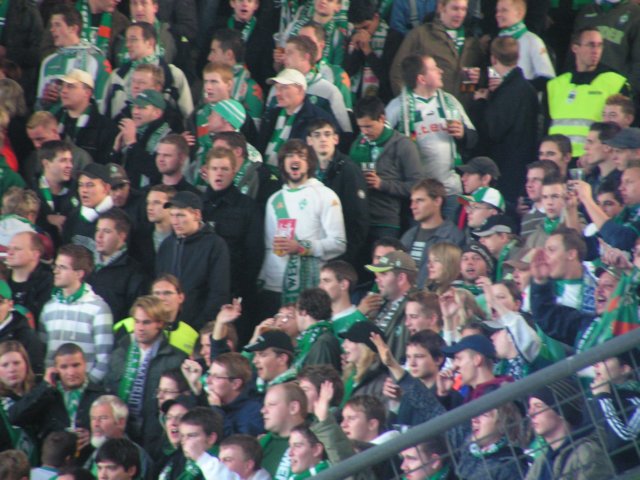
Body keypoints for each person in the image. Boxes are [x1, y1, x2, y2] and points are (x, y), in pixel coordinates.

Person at [258, 140, 345, 314]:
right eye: (289, 155)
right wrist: (262, 279)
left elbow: (339, 244)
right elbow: (269, 247)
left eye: (301, 156)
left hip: (310, 287)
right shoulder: (274, 200)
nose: (295, 160)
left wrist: (301, 247)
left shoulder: (325, 195)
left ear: (310, 162)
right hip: (274, 287)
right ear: (283, 163)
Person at [387, 54, 476, 220]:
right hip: (419, 195)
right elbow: (383, 143)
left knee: (451, 235)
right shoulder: (397, 107)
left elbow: (474, 138)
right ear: (422, 79)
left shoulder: (450, 102)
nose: (441, 71)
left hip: (451, 191)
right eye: (434, 69)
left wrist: (463, 134)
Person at [104, 295, 185, 448]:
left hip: (156, 437)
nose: (140, 328)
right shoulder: (119, 354)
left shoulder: (176, 359)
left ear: (160, 323)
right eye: (137, 321)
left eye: (146, 322)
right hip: (121, 434)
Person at [202, 146, 263, 333]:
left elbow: (254, 254)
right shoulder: (197, 206)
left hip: (234, 292)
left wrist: (241, 292)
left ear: (234, 171)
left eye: (224, 169)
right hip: (200, 292)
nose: (219, 173)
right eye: (214, 168)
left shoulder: (248, 207)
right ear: (206, 171)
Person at [470, 36, 538, 203]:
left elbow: (492, 131)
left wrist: (481, 103)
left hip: (505, 170)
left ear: (493, 59)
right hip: (523, 167)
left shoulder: (507, 92)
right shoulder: (528, 89)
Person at [9, 343, 103, 458]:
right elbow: (15, 417)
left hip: (88, 460)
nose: (71, 372)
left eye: (76, 365)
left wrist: (95, 436)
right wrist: (45, 386)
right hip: (51, 462)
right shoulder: (46, 393)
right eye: (64, 367)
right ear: (55, 369)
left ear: (85, 365)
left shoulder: (100, 395)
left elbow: (116, 431)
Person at [546, 27, 629, 158]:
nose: (595, 50)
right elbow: (545, 126)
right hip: (557, 159)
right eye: (591, 45)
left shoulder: (615, 82)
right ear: (575, 48)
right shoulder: (556, 85)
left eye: (599, 45)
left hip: (593, 158)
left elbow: (622, 126)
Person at [156, 191, 231, 329]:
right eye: (172, 215)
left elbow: (218, 292)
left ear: (197, 215)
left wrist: (202, 324)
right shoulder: (167, 245)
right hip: (166, 324)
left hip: (198, 327)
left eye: (180, 215)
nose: (175, 221)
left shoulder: (215, 245)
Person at [351, 96, 422, 239]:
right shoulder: (358, 144)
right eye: (360, 127)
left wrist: (382, 184)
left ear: (382, 119)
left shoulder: (403, 145)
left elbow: (418, 187)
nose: (364, 132)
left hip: (386, 221)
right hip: (359, 219)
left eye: (368, 126)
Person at [39, 244, 113, 383]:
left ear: (79, 274)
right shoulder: (48, 308)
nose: (55, 271)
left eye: (62, 267)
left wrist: (86, 388)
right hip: (53, 389)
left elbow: (104, 360)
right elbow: (43, 353)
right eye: (56, 266)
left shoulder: (99, 309)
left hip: (86, 389)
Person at [390, 0, 484, 107]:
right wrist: (410, 105)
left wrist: (479, 78)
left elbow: (483, 78)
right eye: (455, 8)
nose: (460, 14)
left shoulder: (472, 41)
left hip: (462, 112)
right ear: (441, 7)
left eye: (464, 9)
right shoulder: (421, 35)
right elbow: (398, 71)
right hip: (427, 111)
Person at [306, 119, 370, 264]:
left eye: (327, 134)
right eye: (317, 135)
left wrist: (345, 259)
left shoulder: (349, 170)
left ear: (336, 139)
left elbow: (359, 219)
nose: (323, 139)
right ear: (309, 141)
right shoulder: (307, 172)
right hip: (314, 254)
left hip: (341, 256)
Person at [104, 22, 193, 123]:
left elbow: (188, 117)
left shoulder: (174, 75)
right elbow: (104, 115)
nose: (127, 45)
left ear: (150, 42)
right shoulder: (116, 76)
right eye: (127, 40)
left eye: (133, 39)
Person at [526, 378, 614, 479]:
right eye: (530, 407)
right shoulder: (541, 462)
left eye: (538, 406)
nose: (530, 414)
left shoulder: (586, 453)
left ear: (561, 411)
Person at [37, 4, 111, 110]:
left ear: (73, 28)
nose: (52, 30)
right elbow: (38, 108)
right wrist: (44, 101)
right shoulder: (48, 62)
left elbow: (102, 105)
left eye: (57, 25)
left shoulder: (96, 61)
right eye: (52, 25)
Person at [258, 69, 337, 167]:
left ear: (300, 90)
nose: (278, 93)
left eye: (284, 88)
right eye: (277, 88)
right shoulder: (270, 115)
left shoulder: (319, 118)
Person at [87, 209, 149, 322]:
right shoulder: (86, 265)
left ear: (122, 236)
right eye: (97, 230)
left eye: (106, 231)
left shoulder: (135, 273)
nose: (99, 236)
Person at [402, 179, 465, 289]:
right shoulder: (408, 235)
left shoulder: (454, 237)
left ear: (437, 201)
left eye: (419, 200)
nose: (413, 206)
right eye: (412, 201)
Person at [590, 350, 640, 473]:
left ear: (625, 369)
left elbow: (621, 441)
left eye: (605, 359)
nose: (596, 364)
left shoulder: (636, 401)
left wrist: (603, 398)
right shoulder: (593, 401)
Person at [111, 89, 172, 189]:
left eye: (141, 108)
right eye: (134, 107)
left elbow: (157, 172)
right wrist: (115, 151)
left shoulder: (168, 137)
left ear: (157, 113)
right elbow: (115, 171)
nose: (135, 112)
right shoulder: (132, 132)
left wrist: (132, 144)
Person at [56, 69, 117, 165]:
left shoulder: (106, 128)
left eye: (70, 86)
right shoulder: (53, 121)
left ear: (87, 93)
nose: (63, 91)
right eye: (62, 86)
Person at [344, 0, 401, 103]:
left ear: (376, 18)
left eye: (365, 27)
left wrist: (368, 51)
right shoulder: (353, 35)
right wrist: (357, 49)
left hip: (382, 100)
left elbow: (388, 78)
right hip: (355, 100)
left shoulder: (394, 38)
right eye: (357, 29)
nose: (362, 32)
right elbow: (347, 72)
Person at [365, 250, 418, 360]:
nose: (377, 279)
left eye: (383, 274)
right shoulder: (379, 305)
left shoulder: (416, 309)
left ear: (401, 279)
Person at [456, 400, 529, 479]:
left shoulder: (510, 467)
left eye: (484, 414)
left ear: (502, 424)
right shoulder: (467, 453)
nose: (474, 419)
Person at [159, 407, 238, 479]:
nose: (185, 441)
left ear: (211, 438)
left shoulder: (224, 461)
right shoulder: (178, 459)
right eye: (182, 436)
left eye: (191, 436)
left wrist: (201, 457)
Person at [207, 29, 264, 127]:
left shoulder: (251, 89)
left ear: (229, 55)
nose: (209, 57)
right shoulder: (209, 83)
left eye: (214, 52)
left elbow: (252, 132)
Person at [84, 395, 151, 478]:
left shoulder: (138, 455)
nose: (96, 424)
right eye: (93, 418)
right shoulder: (95, 452)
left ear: (121, 422)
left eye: (103, 418)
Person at [495, 0, 555, 87]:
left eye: (504, 10)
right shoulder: (496, 42)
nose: (498, 14)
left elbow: (547, 78)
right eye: (497, 10)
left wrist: (520, 87)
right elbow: (492, 75)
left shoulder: (533, 41)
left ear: (519, 13)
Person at [63, 163, 114, 253]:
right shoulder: (74, 217)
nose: (84, 190)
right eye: (80, 185)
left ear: (106, 188)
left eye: (90, 185)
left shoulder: (117, 219)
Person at [259, 383, 307, 478]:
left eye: (271, 405)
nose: (263, 410)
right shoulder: (262, 443)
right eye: (264, 405)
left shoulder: (314, 441)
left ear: (293, 408)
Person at [6, 232, 53, 323]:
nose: (10, 253)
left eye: (17, 249)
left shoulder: (49, 283)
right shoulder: (2, 281)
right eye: (9, 248)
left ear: (35, 254)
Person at [293, 288, 342, 371]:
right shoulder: (321, 336)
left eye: (296, 313)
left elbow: (318, 376)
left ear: (303, 312)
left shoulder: (322, 342)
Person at [319, 260, 367, 335]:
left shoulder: (359, 323)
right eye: (320, 282)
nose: (320, 286)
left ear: (343, 285)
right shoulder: (318, 319)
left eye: (326, 281)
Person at [519, 160, 560, 238]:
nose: (529, 185)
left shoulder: (561, 213)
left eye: (535, 180)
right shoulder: (526, 217)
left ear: (550, 182)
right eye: (528, 180)